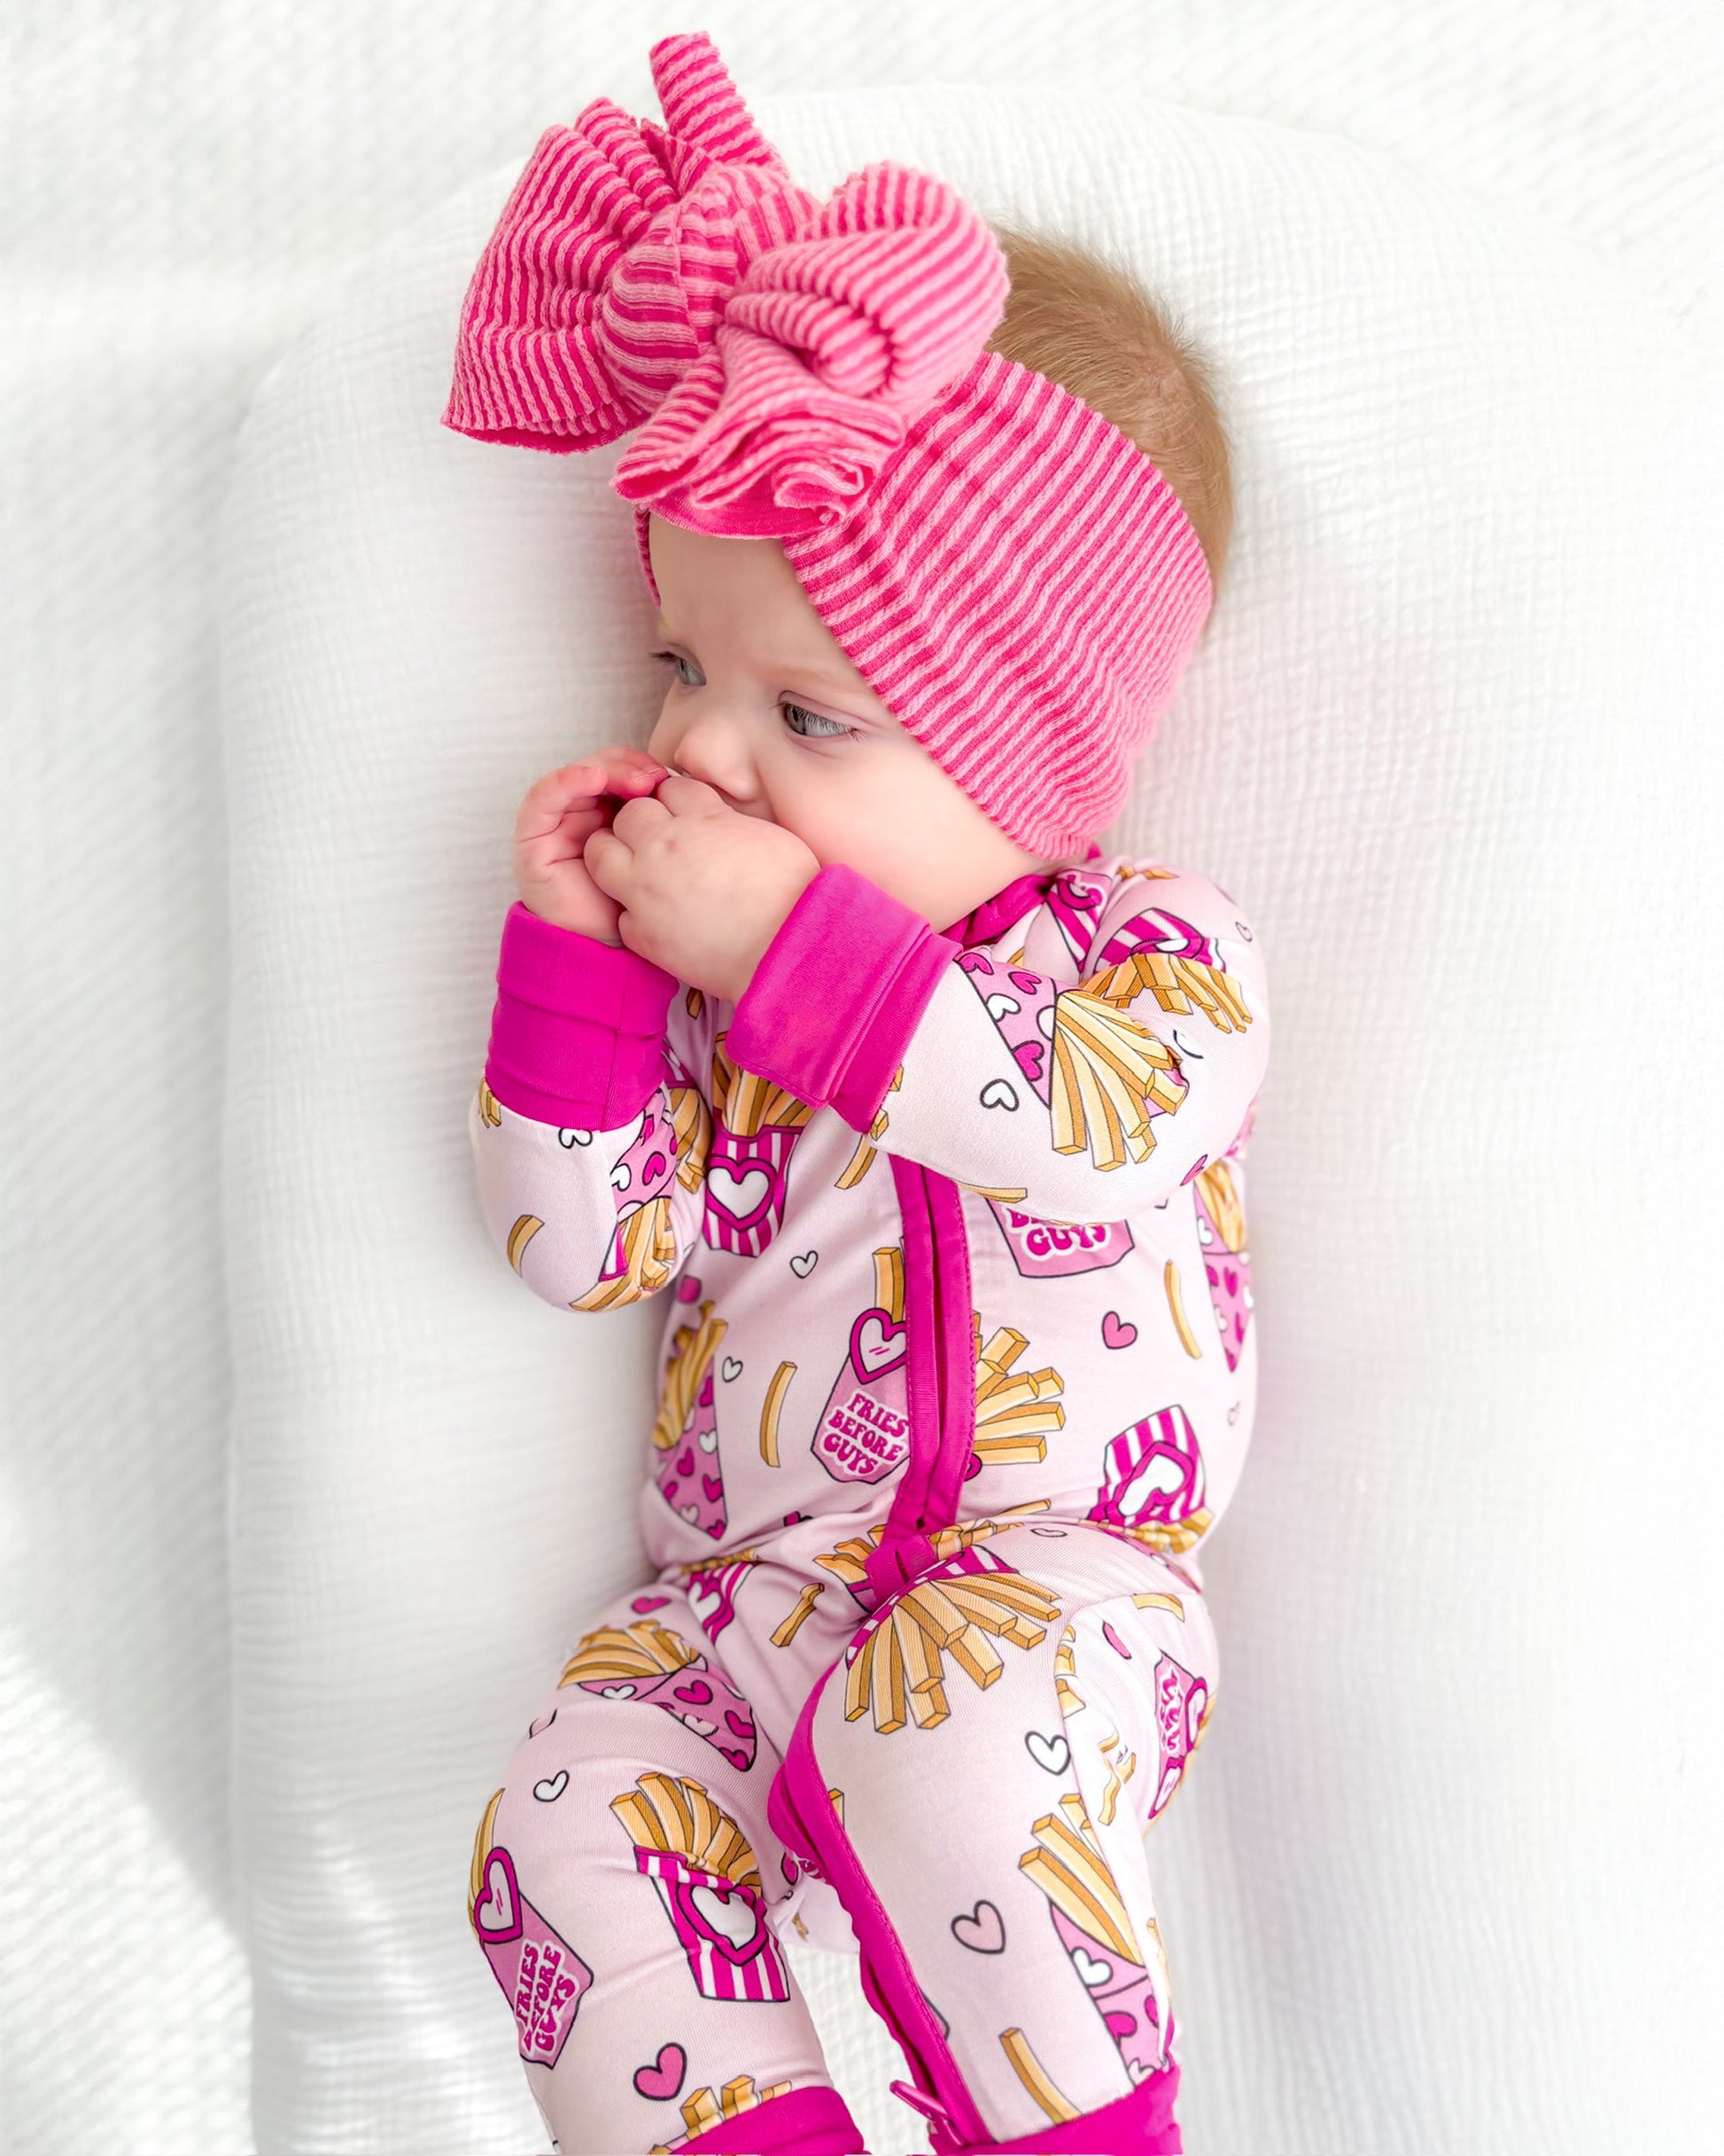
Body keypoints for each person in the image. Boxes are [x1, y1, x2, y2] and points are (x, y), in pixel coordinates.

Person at [447, 31, 1269, 2156]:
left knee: (954, 1759)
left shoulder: (1147, 955)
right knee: (560, 1824)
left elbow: (1084, 1121)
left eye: (805, 713)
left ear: (1035, 751)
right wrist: (580, 970)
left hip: (1053, 1594)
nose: (702, 750)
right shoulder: (715, 1029)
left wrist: (796, 958)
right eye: (683, 667)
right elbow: (577, 1246)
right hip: (756, 1594)